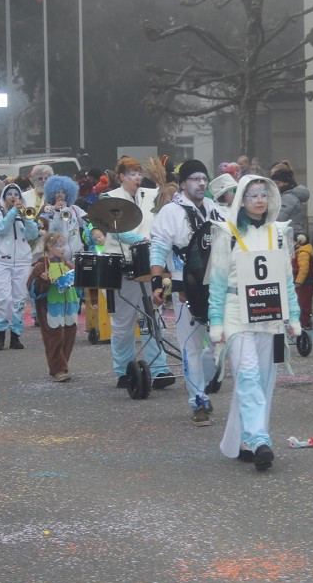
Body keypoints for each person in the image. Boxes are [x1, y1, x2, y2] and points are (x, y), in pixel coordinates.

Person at [208, 176, 301, 471]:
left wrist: (294, 316)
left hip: (269, 314)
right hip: (237, 312)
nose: (259, 200)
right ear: (241, 200)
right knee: (247, 376)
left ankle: (247, 441)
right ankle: (261, 440)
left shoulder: (279, 233)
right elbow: (218, 282)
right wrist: (216, 320)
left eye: (264, 194)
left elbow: (286, 279)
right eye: (252, 195)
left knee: (262, 380)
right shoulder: (227, 232)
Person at [150, 159, 224, 425]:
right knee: (190, 347)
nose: (201, 183)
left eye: (204, 178)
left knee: (218, 343)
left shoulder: (215, 209)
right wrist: (157, 281)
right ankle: (198, 400)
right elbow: (158, 247)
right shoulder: (170, 212)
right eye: (194, 178)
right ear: (182, 184)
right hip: (185, 289)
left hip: (215, 286)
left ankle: (201, 384)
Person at [96, 157, 171, 389]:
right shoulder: (109, 198)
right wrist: (142, 240)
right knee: (122, 323)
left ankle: (159, 369)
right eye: (131, 174)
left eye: (139, 173)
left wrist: (166, 185)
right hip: (121, 264)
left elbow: (169, 202)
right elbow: (115, 230)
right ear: (120, 177)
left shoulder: (151, 194)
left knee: (152, 317)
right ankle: (123, 370)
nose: (137, 178)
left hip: (148, 264)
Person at [0, 183, 39, 350]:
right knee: (3, 298)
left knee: (19, 299)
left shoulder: (24, 212)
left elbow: (32, 235)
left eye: (16, 194)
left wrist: (28, 218)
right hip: (0, 260)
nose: (13, 197)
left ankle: (16, 335)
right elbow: (0, 229)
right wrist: (12, 212)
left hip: (22, 261)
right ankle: (1, 333)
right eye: (9, 194)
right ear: (4, 197)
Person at [28, 232, 78, 382]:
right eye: (59, 245)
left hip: (68, 305)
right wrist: (43, 281)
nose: (63, 249)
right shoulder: (41, 266)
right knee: (55, 337)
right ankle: (58, 368)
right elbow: (32, 289)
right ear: (49, 246)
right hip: (50, 308)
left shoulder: (67, 264)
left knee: (69, 335)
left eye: (63, 245)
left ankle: (62, 365)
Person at [273, 169, 310, 240]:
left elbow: (279, 218)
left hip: (292, 235)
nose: (275, 186)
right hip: (295, 233)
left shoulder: (288, 198)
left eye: (277, 183)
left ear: (286, 183)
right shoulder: (288, 196)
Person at [292, 230, 313, 330]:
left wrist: (298, 282)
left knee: (303, 302)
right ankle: (304, 321)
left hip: (304, 283)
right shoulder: (301, 252)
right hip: (304, 283)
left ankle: (305, 322)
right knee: (303, 302)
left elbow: (303, 269)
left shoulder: (303, 253)